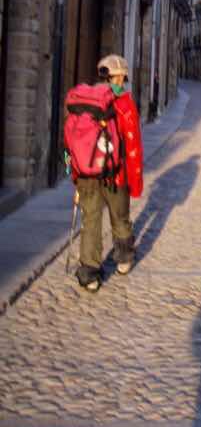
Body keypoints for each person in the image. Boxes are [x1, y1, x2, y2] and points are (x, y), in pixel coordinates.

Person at [74, 55, 144, 292]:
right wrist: (135, 179)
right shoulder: (124, 104)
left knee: (90, 219)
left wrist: (76, 173)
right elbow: (132, 144)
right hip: (115, 173)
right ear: (120, 76)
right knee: (119, 215)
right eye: (123, 76)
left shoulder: (86, 99)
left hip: (87, 171)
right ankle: (123, 257)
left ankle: (89, 273)